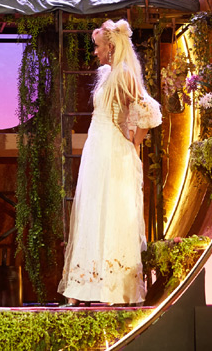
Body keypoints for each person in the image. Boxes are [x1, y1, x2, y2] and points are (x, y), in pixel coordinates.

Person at [58, 18, 162, 306]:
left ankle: (116, 288)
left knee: (113, 212)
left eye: (98, 47)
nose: (95, 52)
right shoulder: (107, 73)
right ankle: (85, 286)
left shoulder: (124, 75)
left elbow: (148, 111)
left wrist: (134, 141)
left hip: (114, 151)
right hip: (98, 147)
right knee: (93, 210)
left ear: (111, 47)